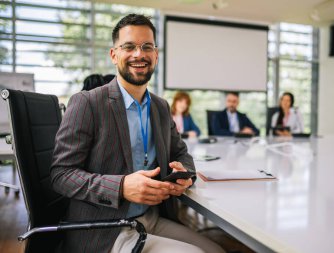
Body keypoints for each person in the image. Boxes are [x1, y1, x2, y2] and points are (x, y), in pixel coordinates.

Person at [50, 14, 225, 253]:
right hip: (105, 228)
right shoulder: (87, 103)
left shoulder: (161, 107)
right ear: (114, 55)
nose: (139, 54)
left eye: (147, 47)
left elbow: (182, 155)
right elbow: (61, 175)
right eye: (129, 46)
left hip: (150, 218)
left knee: (218, 251)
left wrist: (184, 174)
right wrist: (121, 186)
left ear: (156, 55)